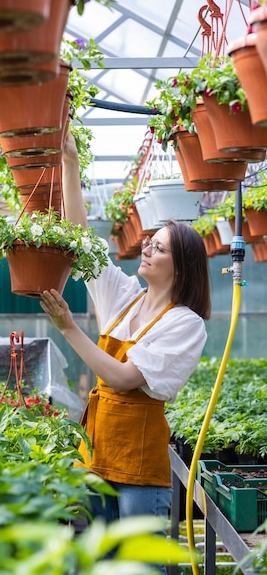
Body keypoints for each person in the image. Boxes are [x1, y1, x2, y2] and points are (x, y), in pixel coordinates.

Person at [40, 132, 211, 526]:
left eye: (159, 248)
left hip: (138, 464)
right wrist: (70, 163)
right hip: (96, 452)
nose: (146, 249)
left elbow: (121, 377)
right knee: (91, 558)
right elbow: (83, 242)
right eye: (149, 243)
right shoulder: (124, 296)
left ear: (181, 267)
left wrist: (68, 328)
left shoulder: (185, 323)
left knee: (134, 565)